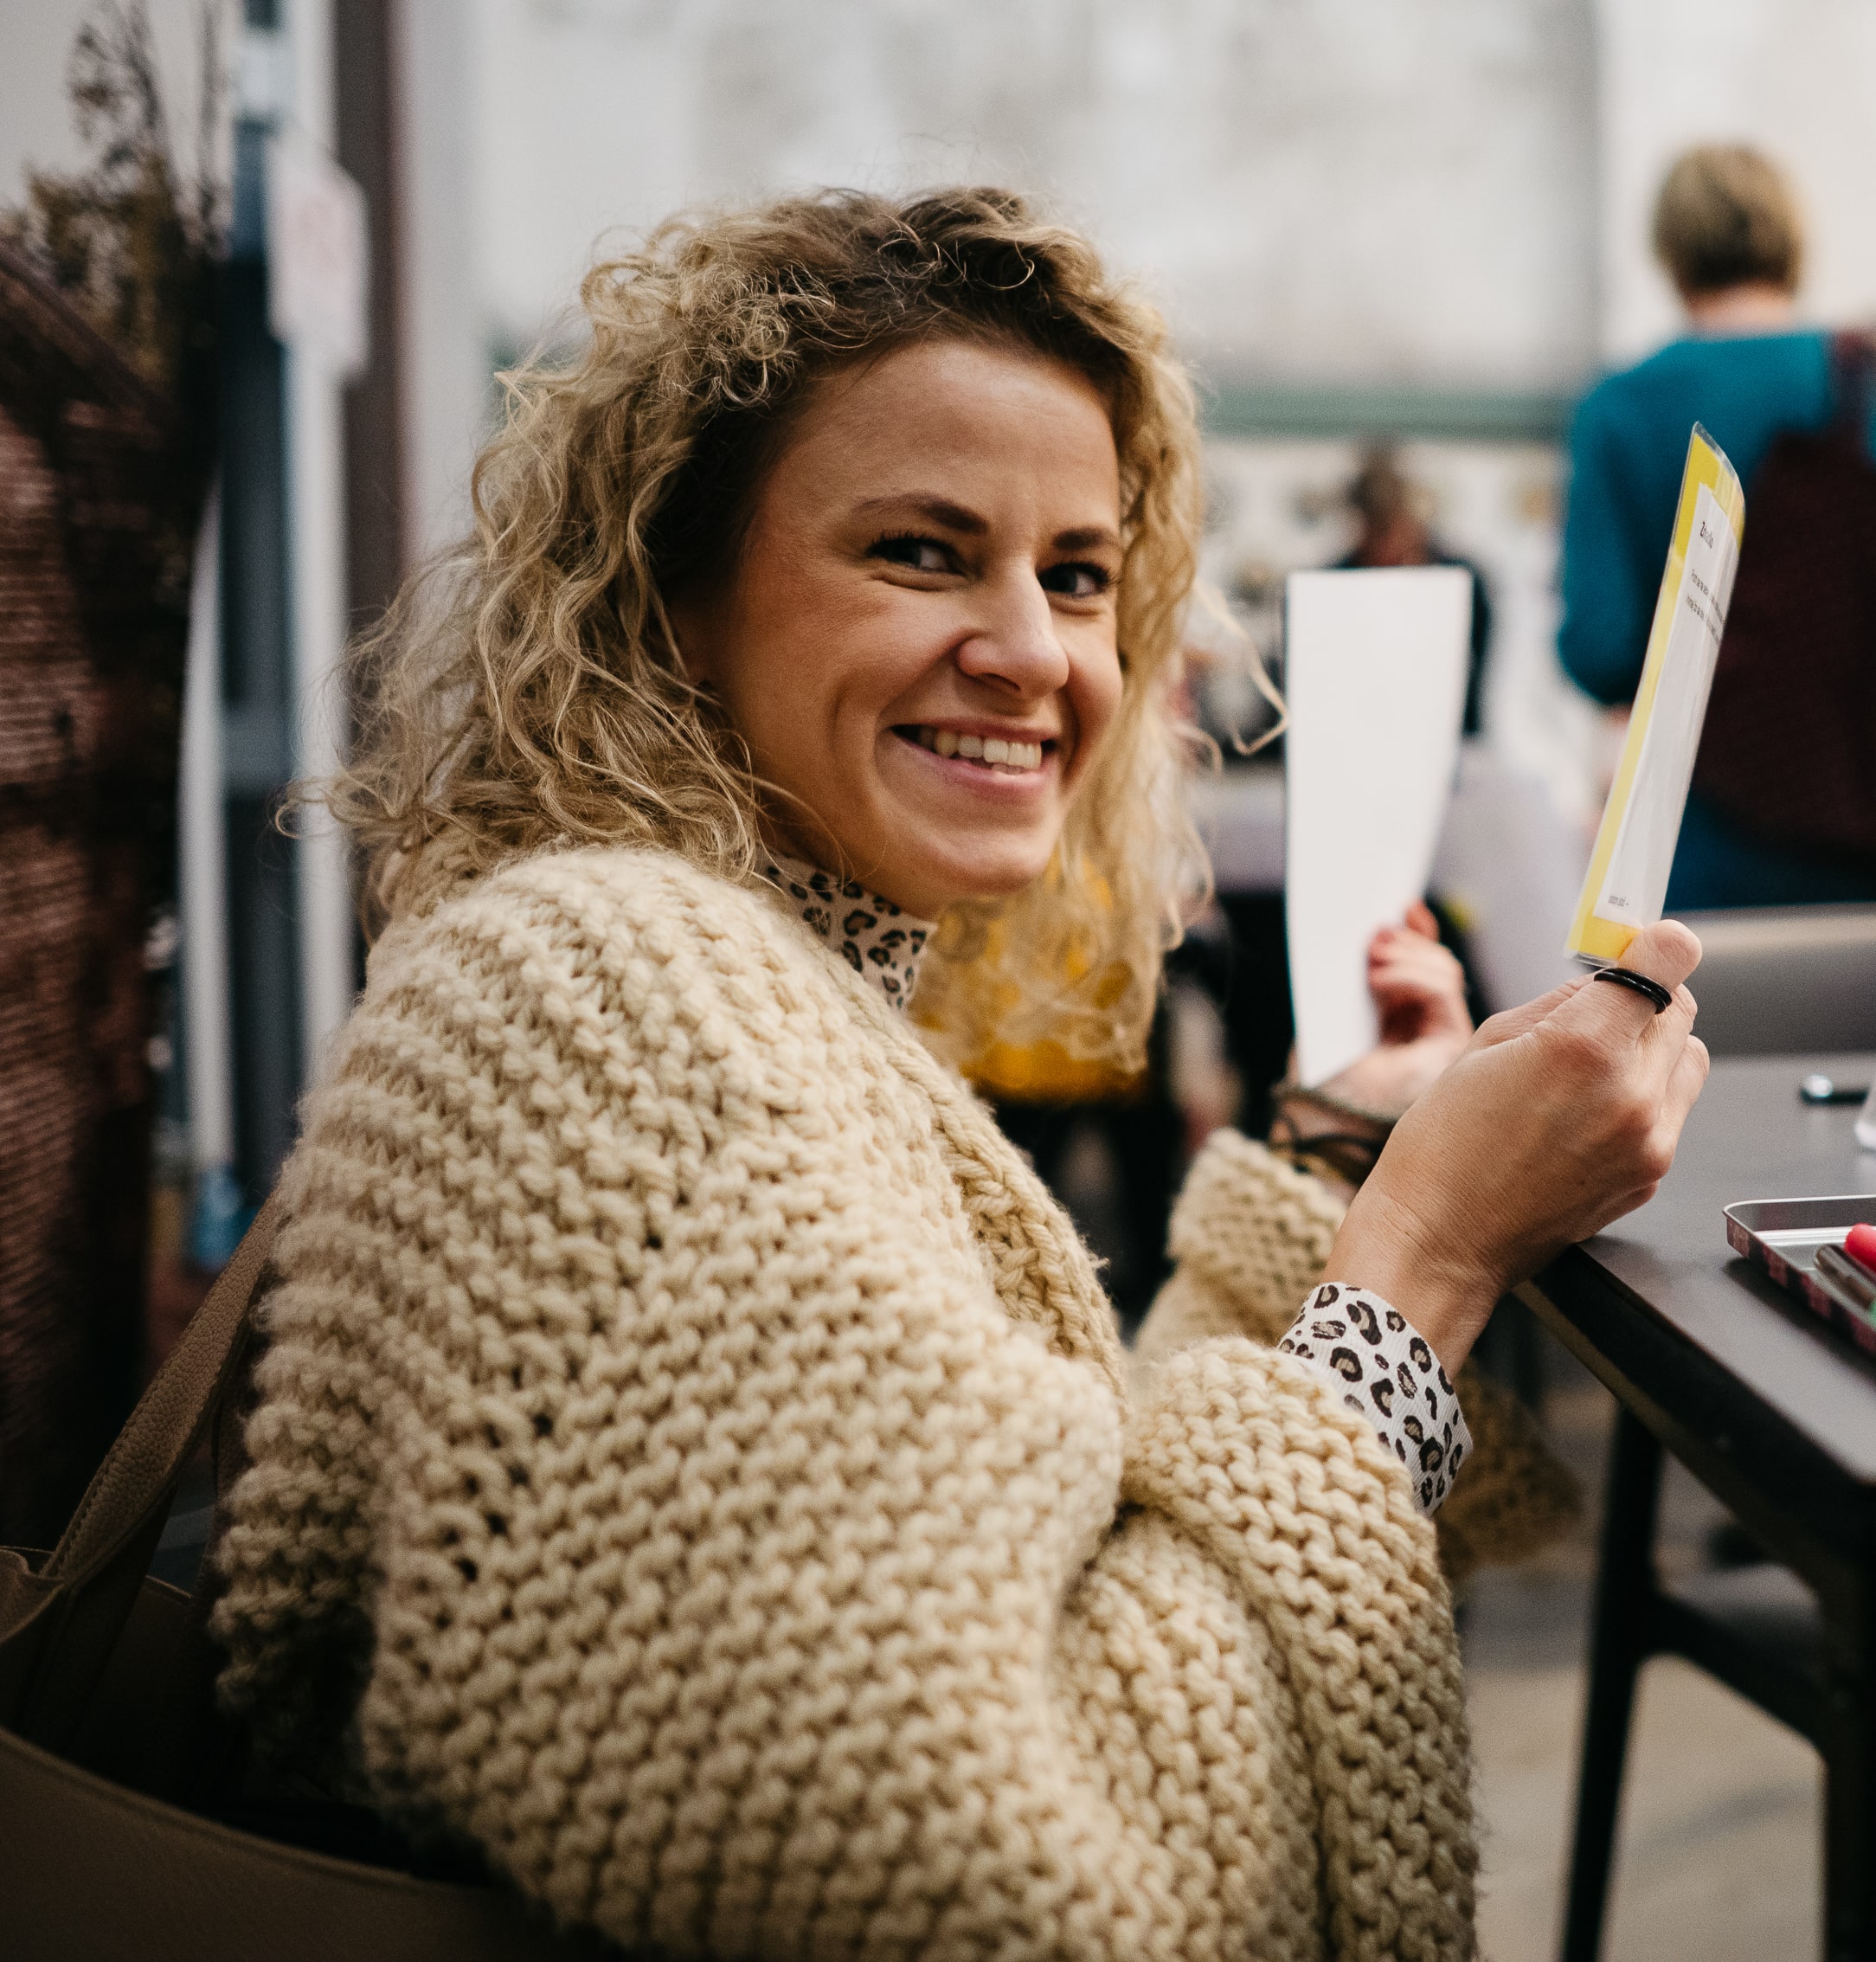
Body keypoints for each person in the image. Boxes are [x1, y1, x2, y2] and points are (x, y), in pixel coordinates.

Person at [205, 190, 1710, 1960]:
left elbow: (1058, 1536)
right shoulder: (601, 994)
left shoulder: (749, 968)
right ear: (673, 597)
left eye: (1077, 573)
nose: (1035, 651)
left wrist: (1337, 1154)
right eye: (922, 551)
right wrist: (1429, 1254)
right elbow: (999, 1876)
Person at [1559, 143, 1876, 908]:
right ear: (1793, 241)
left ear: (1670, 254)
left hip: (1697, 842)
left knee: (1703, 996)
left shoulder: (1622, 405)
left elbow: (1600, 651)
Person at [1334, 441, 1494, 735]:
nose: (1388, 547)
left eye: (1391, 528)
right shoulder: (1334, 585)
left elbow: (1479, 679)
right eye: (1376, 531)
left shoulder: (1460, 580)